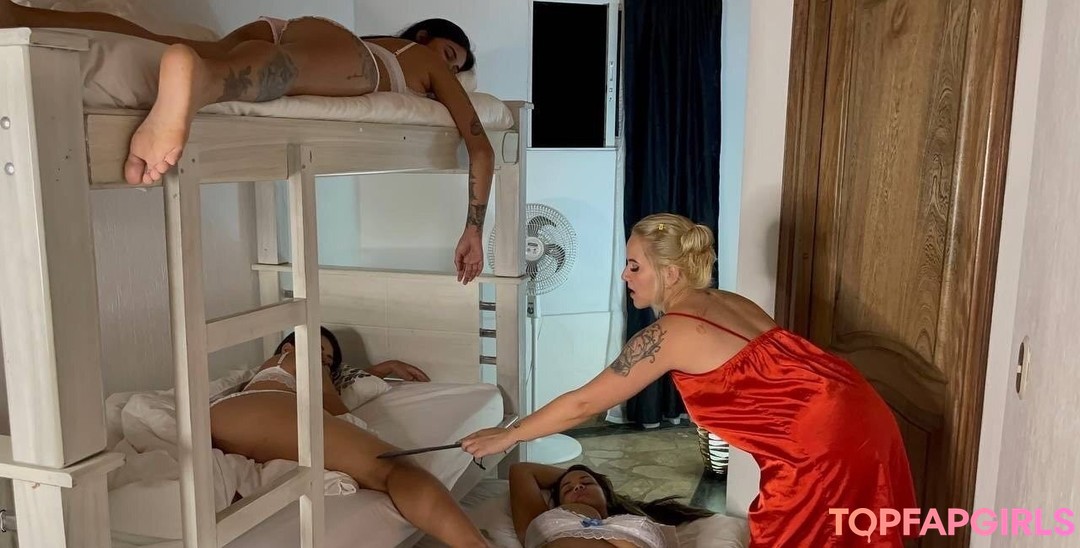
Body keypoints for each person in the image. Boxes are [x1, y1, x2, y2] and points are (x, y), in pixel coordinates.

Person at [462, 213, 919, 547]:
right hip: (860, 407)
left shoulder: (670, 333)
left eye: (635, 265)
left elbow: (585, 403)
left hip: (822, 443)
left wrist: (509, 435)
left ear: (671, 273)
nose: (624, 274)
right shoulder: (728, 301)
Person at [0, 2, 490, 284]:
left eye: (457, 67)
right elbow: (481, 146)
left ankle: (20, 13)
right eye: (450, 55)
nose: (451, 69)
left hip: (289, 28)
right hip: (351, 56)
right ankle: (203, 79)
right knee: (279, 74)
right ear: (424, 36)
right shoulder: (414, 61)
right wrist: (474, 230)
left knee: (157, 38)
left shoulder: (380, 41)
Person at [209, 326, 488, 547]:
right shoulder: (300, 358)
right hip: (266, 413)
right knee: (395, 467)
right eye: (320, 352)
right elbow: (332, 403)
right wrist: (357, 432)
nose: (323, 361)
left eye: (328, 361)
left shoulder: (267, 370)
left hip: (222, 419)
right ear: (288, 347)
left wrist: (381, 369)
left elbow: (342, 384)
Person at [509, 462, 712, 548]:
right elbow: (521, 470)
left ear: (606, 494)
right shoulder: (543, 521)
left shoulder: (635, 522)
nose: (577, 486)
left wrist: (599, 483)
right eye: (567, 489)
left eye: (587, 483)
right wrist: (580, 475)